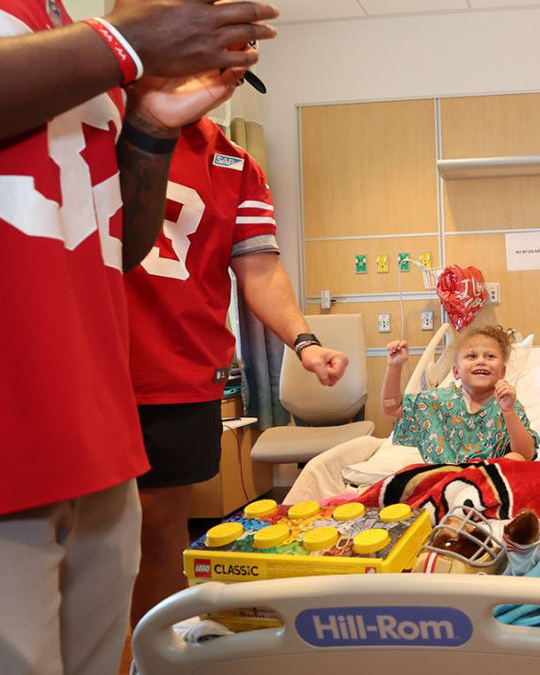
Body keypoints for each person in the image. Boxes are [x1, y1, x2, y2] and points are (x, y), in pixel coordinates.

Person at [0, 0, 278, 672]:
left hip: (94, 437)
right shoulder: (84, 44)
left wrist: (149, 126)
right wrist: (121, 44)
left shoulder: (58, 22)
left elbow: (120, 244)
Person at [126, 116, 350, 625]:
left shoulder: (235, 164)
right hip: (90, 358)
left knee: (161, 520)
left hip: (180, 363)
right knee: (75, 527)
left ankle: (156, 654)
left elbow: (260, 268)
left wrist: (305, 342)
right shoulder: (96, 122)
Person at [382, 325, 538, 463]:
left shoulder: (507, 405)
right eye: (471, 356)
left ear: (502, 372)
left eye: (490, 356)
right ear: (456, 372)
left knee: (515, 459)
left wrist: (508, 412)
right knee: (411, 472)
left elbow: (526, 454)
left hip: (488, 483)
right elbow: (392, 407)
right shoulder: (437, 401)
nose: (481, 361)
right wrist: (394, 367)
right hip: (445, 479)